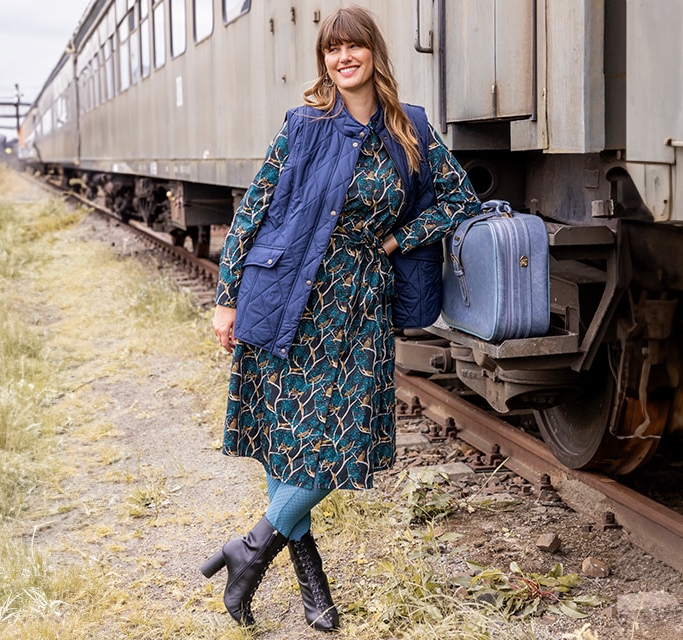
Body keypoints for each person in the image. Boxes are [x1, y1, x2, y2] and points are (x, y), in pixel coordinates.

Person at [202, 5, 480, 632]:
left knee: (337, 443)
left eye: (354, 46)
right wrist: (226, 296)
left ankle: (247, 551)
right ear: (324, 60)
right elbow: (255, 206)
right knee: (289, 441)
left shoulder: (410, 128)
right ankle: (312, 592)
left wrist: (398, 239)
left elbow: (461, 200)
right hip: (289, 296)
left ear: (374, 52)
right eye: (332, 49)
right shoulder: (303, 125)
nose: (343, 57)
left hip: (360, 301)